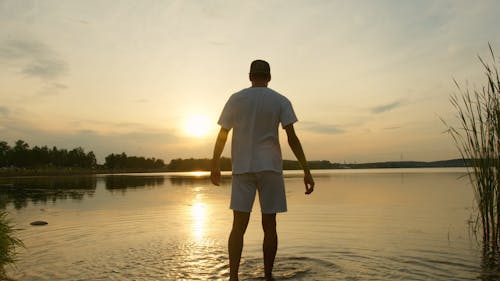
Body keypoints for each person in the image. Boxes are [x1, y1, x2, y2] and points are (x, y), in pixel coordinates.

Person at [210, 59, 315, 281]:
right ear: (269, 77)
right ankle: (268, 277)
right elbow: (292, 138)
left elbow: (223, 134)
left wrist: (215, 163)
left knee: (238, 225)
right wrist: (306, 170)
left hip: (242, 168)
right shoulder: (280, 100)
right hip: (270, 168)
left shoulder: (236, 99)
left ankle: (233, 277)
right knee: (270, 225)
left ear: (250, 76)